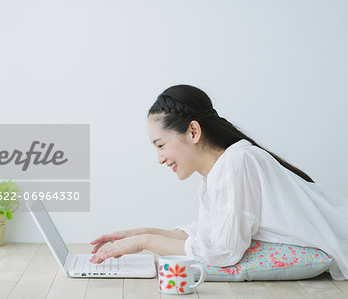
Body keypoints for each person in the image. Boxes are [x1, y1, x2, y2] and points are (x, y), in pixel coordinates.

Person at [89, 85, 348, 280]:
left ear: (193, 132)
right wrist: (139, 234)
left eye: (160, 145)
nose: (159, 158)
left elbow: (224, 251)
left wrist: (144, 242)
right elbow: (208, 233)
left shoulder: (238, 162)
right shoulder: (218, 171)